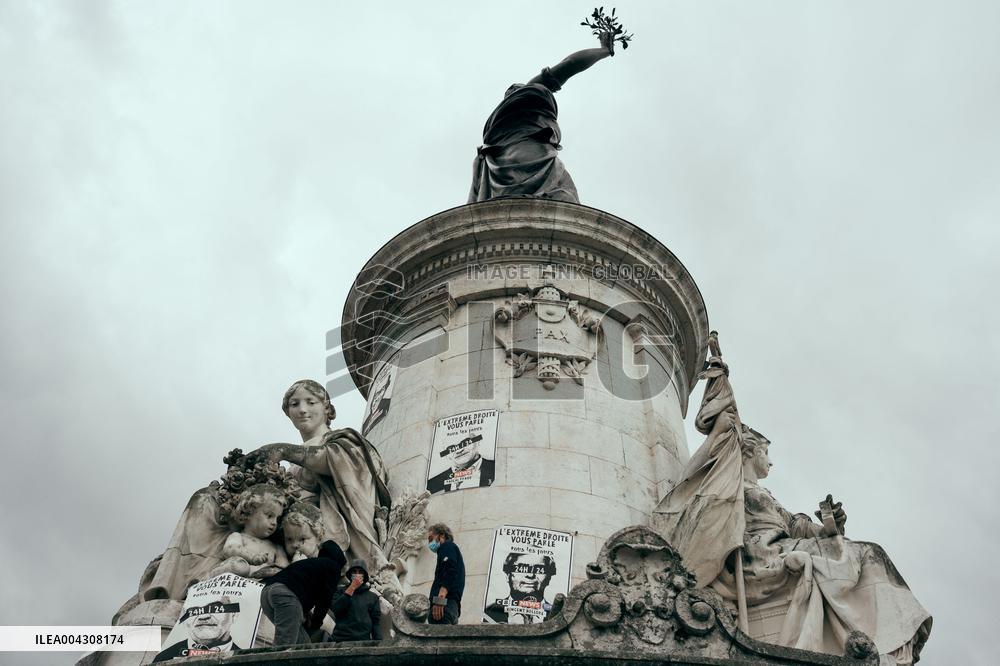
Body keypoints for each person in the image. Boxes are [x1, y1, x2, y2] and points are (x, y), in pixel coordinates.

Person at [653, 333, 932, 663]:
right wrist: (719, 382)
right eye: (767, 453)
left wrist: (829, 525)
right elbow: (702, 483)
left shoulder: (764, 493)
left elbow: (795, 524)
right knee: (854, 556)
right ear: (749, 451)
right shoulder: (727, 484)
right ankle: (870, 640)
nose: (771, 461)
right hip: (760, 556)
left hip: (784, 547)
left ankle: (889, 642)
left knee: (869, 552)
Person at [138, 380, 390, 603]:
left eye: (310, 402)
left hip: (306, 529)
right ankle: (171, 590)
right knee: (204, 500)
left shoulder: (344, 442)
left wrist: (281, 450)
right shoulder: (292, 465)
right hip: (275, 523)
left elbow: (343, 464)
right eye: (294, 404)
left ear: (327, 408)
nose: (302, 409)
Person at [468, 30, 615, 204]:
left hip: (500, 168)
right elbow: (570, 64)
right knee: (566, 202)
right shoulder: (529, 93)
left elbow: (475, 191)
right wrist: (605, 50)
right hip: (531, 156)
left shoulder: (495, 123)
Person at [259, 540, 347, 646]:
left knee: (303, 645)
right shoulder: (332, 567)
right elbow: (325, 601)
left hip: (266, 593)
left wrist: (305, 612)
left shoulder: (312, 564)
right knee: (284, 644)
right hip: (285, 595)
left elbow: (302, 588)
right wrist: (315, 625)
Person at [152, 597, 242, 661]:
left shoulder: (248, 658)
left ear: (234, 615)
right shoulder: (163, 658)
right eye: (194, 610)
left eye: (215, 608)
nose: (203, 616)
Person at [484, 552, 556, 624]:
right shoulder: (489, 612)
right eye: (521, 568)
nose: (530, 575)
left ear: (549, 577)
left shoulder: (556, 615)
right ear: (507, 576)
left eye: (539, 569)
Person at [329, 559, 382, 642]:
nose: (357, 575)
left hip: (363, 641)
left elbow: (375, 623)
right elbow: (336, 608)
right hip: (340, 639)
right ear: (350, 574)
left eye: (360, 572)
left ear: (364, 575)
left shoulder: (373, 597)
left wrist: (379, 642)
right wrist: (351, 588)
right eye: (354, 571)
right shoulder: (340, 591)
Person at [427, 434, 495, 493]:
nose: (459, 450)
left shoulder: (497, 468)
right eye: (451, 448)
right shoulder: (432, 485)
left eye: (465, 443)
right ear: (446, 456)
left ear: (478, 442)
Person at [427, 523, 465, 624]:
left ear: (442, 535)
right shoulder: (451, 550)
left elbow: (450, 570)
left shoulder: (447, 546)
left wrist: (440, 600)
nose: (429, 543)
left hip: (444, 607)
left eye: (431, 538)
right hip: (451, 608)